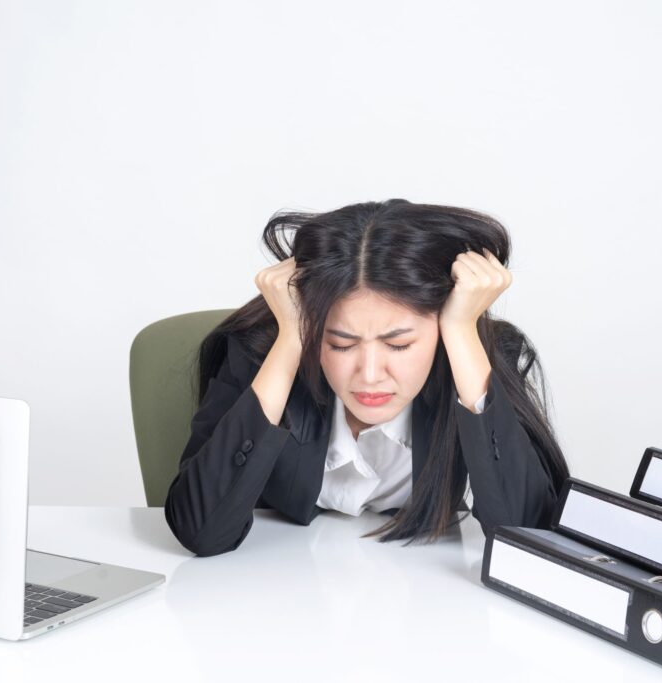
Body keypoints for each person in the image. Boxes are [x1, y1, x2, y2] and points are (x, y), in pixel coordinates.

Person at [165, 199, 570, 556]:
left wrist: (463, 333)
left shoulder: (472, 357)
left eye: (398, 345)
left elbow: (527, 534)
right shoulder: (263, 355)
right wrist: (291, 340)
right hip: (283, 599)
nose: (370, 375)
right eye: (341, 344)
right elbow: (201, 532)